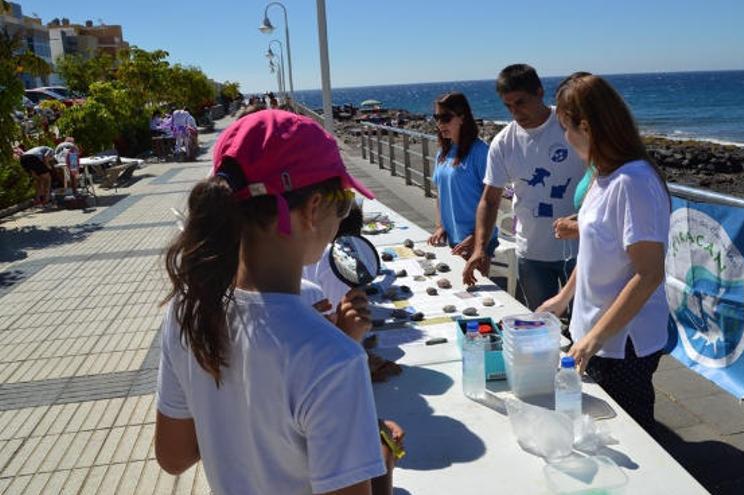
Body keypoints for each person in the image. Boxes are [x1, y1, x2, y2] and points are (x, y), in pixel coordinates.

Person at [155, 110, 391, 494]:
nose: (341, 216)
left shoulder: (187, 309)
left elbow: (174, 455)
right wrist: (378, 456)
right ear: (314, 208)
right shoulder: (335, 358)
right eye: (343, 202)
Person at [552, 73, 671, 432]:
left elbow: (649, 273)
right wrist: (563, 297)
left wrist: (593, 340)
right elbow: (592, 249)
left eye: (565, 127)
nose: (565, 137)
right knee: (595, 434)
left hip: (623, 345)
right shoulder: (602, 176)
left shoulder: (633, 182)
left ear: (586, 127)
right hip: (595, 337)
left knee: (633, 437)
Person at [462, 64, 586, 309]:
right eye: (508, 106)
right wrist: (480, 247)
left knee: (582, 328)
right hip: (532, 253)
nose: (516, 112)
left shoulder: (569, 125)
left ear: (539, 92)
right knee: (540, 321)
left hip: (581, 250)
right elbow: (489, 199)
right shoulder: (503, 142)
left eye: (521, 102)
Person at [428, 92, 499, 262]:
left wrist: (476, 238)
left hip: (477, 240)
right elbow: (440, 194)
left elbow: (491, 200)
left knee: (474, 288)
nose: (440, 124)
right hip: (452, 239)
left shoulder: (480, 152)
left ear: (462, 118)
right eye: (436, 118)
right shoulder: (443, 154)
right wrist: (440, 226)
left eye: (445, 118)